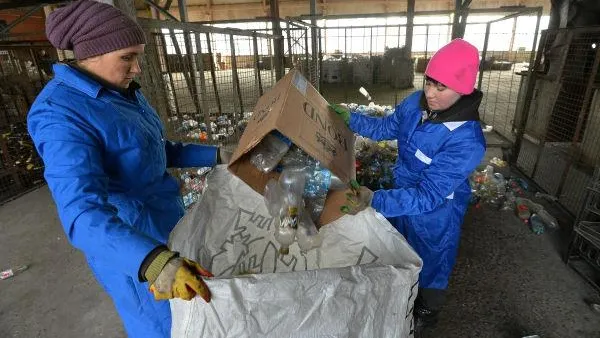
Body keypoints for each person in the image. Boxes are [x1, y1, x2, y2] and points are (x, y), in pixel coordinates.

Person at [27, 1, 226, 337]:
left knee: (199, 319)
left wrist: (219, 154)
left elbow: (151, 152)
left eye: (138, 57)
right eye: (127, 57)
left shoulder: (123, 93)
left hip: (168, 224)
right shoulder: (59, 114)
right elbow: (82, 213)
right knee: (166, 326)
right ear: (92, 54)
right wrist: (152, 261)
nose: (137, 69)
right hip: (133, 245)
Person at [333, 38, 486, 329]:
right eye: (429, 81)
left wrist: (374, 199)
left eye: (441, 87)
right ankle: (403, 293)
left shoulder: (467, 139)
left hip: (436, 211)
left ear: (463, 88)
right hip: (403, 193)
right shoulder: (415, 103)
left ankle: (427, 309)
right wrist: (350, 119)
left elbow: (428, 196)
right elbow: (385, 127)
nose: (430, 92)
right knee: (399, 247)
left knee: (431, 258)